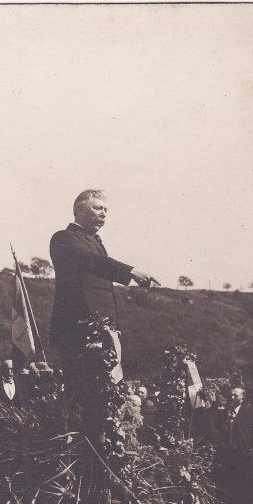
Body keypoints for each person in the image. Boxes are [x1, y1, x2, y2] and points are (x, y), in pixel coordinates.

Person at [48, 189, 159, 441]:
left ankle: (102, 446)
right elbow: (90, 261)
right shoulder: (64, 238)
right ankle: (85, 450)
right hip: (77, 332)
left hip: (102, 332)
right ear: (78, 210)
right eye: (98, 208)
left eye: (106, 210)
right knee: (83, 396)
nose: (104, 214)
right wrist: (131, 272)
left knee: (103, 395)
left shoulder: (96, 241)